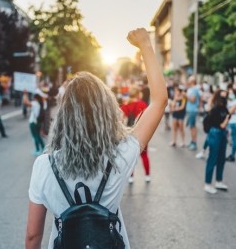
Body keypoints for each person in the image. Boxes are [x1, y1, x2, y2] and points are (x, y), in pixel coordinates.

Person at [25, 28, 167, 249]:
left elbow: (33, 236)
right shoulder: (120, 155)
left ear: (64, 115)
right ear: (106, 111)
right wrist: (146, 46)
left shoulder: (44, 166)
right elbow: (159, 101)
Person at [120, 87, 150, 183]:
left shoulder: (125, 106)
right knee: (144, 155)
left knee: (130, 156)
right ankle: (147, 175)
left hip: (129, 134)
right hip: (142, 132)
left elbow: (121, 121)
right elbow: (147, 119)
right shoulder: (142, 104)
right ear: (138, 94)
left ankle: (131, 177)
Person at [204, 90, 230, 194]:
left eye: (225, 96)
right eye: (222, 96)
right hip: (215, 133)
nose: (224, 98)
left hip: (222, 134)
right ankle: (207, 183)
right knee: (213, 158)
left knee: (221, 158)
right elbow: (222, 124)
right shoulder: (214, 109)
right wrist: (226, 119)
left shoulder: (224, 108)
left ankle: (219, 181)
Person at [23, 91, 46, 156]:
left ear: (36, 98)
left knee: (35, 136)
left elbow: (26, 102)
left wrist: (25, 94)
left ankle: (38, 149)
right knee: (38, 136)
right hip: (38, 122)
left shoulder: (35, 103)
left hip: (33, 122)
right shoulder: (39, 104)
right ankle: (43, 148)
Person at [226, 88, 236, 162]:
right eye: (229, 92)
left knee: (233, 139)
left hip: (233, 122)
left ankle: (232, 155)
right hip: (230, 122)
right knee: (229, 139)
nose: (230, 94)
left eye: (231, 92)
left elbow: (230, 111)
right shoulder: (230, 101)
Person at [185, 76, 200, 151]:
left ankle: (194, 143)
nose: (188, 81)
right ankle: (192, 141)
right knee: (191, 127)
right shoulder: (190, 89)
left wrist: (185, 96)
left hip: (192, 110)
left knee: (192, 127)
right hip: (190, 110)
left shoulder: (195, 89)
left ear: (192, 81)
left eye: (189, 79)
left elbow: (193, 100)